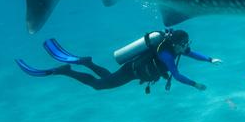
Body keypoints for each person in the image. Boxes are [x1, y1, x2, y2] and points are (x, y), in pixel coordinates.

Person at [15, 29, 220, 92]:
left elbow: (192, 53)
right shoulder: (166, 53)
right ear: (177, 43)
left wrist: (210, 60)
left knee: (108, 79)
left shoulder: (177, 48)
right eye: (185, 43)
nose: (187, 46)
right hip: (131, 71)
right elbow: (175, 75)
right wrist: (195, 84)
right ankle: (65, 70)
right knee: (98, 86)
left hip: (135, 73)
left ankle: (87, 62)